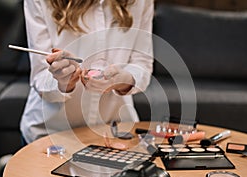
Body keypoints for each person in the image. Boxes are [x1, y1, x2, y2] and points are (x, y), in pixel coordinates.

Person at [20, 0, 154, 144]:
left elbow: (142, 63)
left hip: (112, 134)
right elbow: (40, 76)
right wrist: (63, 82)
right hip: (52, 134)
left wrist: (123, 81)